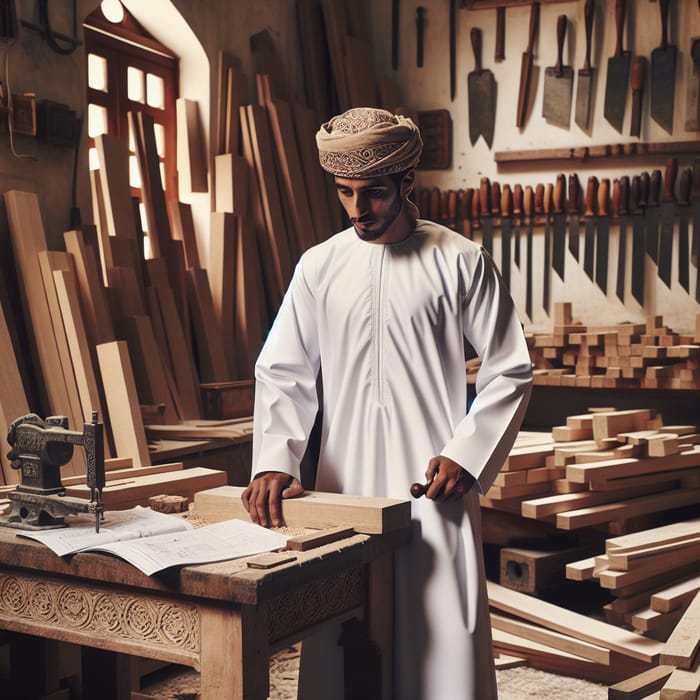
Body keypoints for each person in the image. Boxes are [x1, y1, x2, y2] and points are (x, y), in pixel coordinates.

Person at [242, 107, 533, 700]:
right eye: (345, 192)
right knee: (340, 637)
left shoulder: (460, 261)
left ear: (406, 184)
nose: (357, 210)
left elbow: (510, 365)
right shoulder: (320, 266)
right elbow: (284, 369)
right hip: (342, 486)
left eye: (372, 193)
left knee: (442, 639)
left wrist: (468, 454)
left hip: (433, 489)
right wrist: (276, 458)